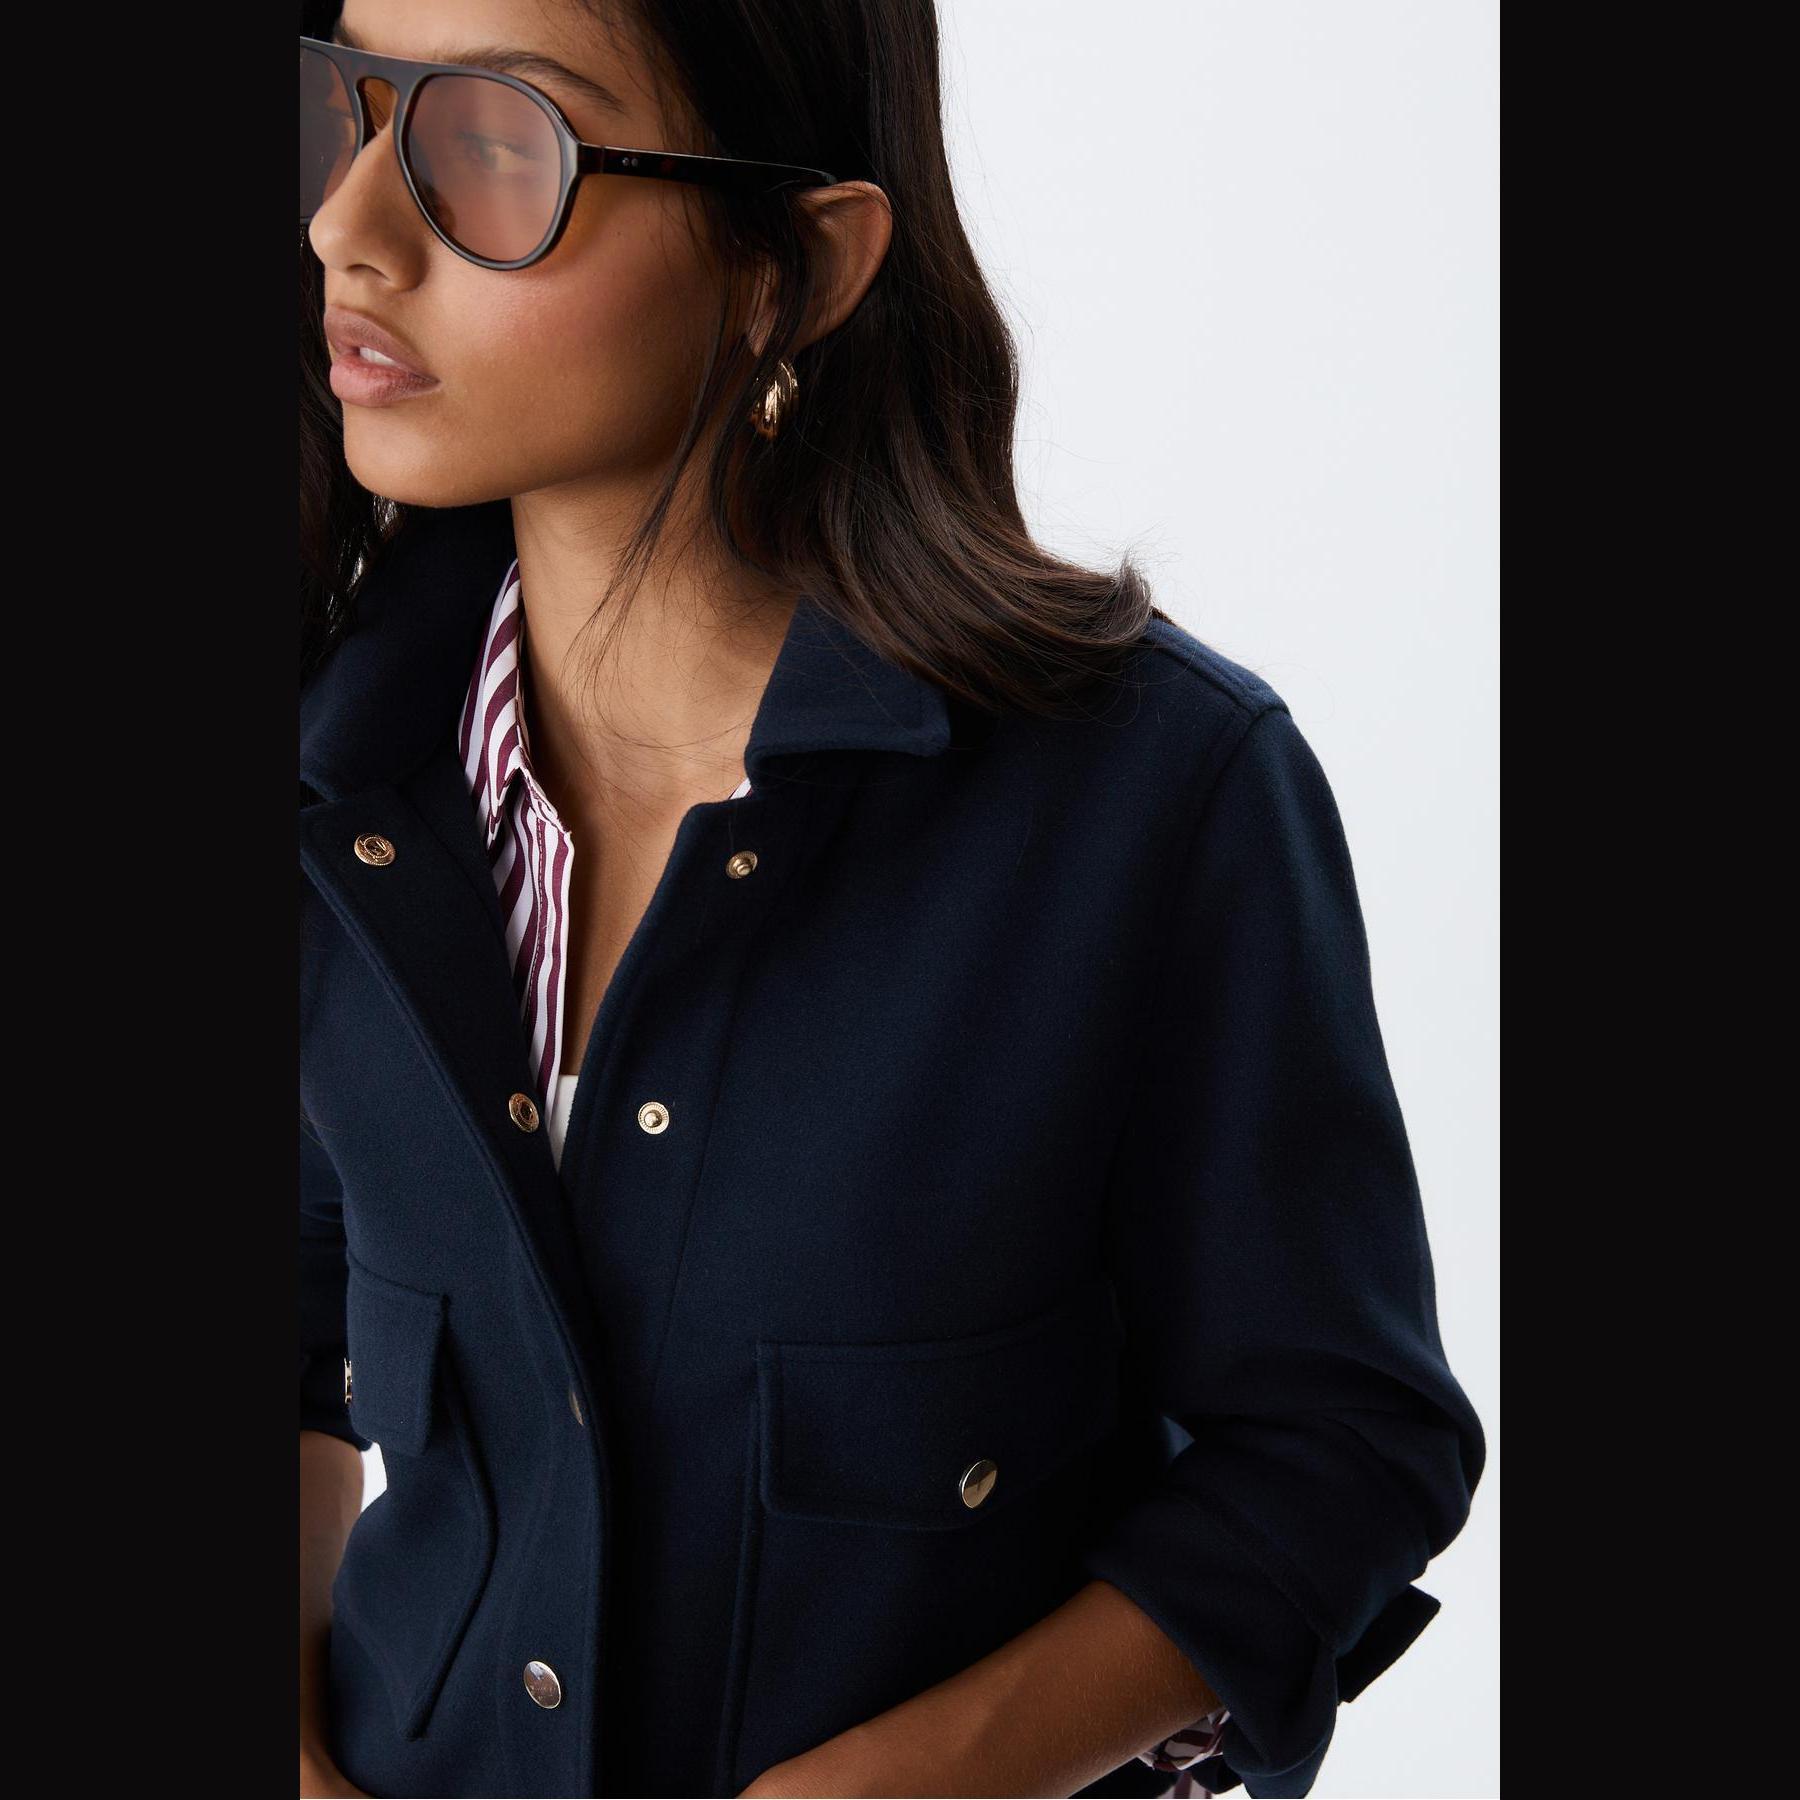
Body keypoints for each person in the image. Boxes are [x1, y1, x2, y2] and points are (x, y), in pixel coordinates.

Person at [298, 4, 1486, 1797]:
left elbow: (1341, 1446)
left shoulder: (1153, 800)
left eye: (493, 143)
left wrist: (912, 1784)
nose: (350, 226)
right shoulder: (337, 779)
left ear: (791, 267)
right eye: (355, 103)